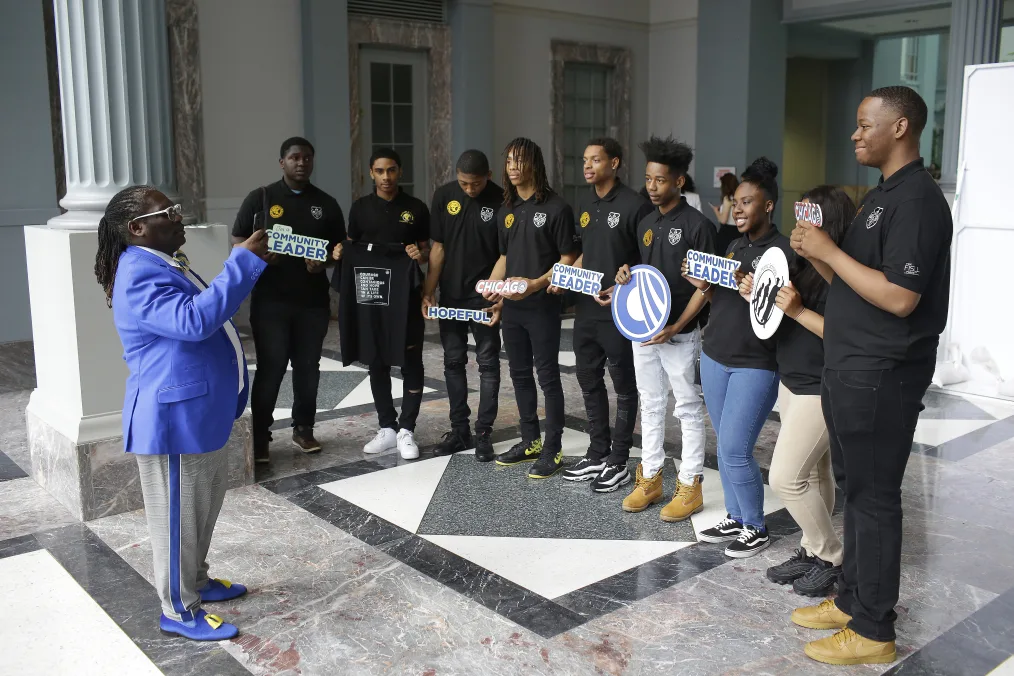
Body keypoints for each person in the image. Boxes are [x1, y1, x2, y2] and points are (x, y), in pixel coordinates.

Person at [789, 86, 952, 666]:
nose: (855, 134)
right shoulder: (882, 197)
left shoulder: (918, 201)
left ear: (901, 127)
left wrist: (830, 252)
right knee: (858, 494)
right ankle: (853, 597)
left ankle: (874, 629)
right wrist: (819, 259)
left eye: (865, 125)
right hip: (852, 365)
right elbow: (861, 289)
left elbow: (901, 297)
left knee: (876, 498)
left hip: (883, 373)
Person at [95, 185, 269, 640]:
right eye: (167, 213)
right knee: (177, 522)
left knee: (201, 511)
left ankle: (196, 581)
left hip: (197, 413)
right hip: (172, 421)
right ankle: (177, 610)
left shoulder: (163, 262)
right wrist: (242, 263)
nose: (179, 218)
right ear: (137, 229)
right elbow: (193, 321)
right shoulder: (138, 271)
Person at [738, 186, 855, 596]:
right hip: (792, 379)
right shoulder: (797, 263)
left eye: (811, 216)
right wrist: (756, 296)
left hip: (820, 386)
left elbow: (843, 333)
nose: (800, 224)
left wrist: (798, 310)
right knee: (815, 472)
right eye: (800, 214)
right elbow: (774, 318)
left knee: (787, 478)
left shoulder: (842, 273)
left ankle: (832, 555)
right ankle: (812, 551)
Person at [684, 157, 790, 558]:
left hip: (755, 363)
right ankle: (736, 515)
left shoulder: (782, 252)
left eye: (748, 202)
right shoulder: (733, 246)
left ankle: (757, 526)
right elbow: (718, 299)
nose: (739, 208)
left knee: (734, 447)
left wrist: (755, 290)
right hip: (714, 356)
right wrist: (705, 284)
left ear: (767, 206)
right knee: (723, 443)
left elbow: (781, 310)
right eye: (736, 202)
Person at [612, 136, 715, 518]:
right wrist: (624, 275)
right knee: (651, 404)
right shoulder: (645, 221)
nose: (652, 187)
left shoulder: (699, 226)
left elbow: (706, 290)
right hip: (644, 332)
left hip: (680, 333)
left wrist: (676, 327)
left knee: (687, 407)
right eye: (648, 179)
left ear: (679, 183)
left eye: (660, 180)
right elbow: (642, 274)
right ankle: (651, 477)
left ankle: (690, 485)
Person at [232, 137, 345, 463]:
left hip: (312, 302)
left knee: (308, 368)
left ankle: (304, 428)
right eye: (294, 157)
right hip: (271, 302)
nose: (301, 162)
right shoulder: (262, 198)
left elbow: (339, 249)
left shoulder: (326, 203)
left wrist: (323, 261)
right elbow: (239, 240)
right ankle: (261, 437)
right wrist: (260, 256)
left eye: (307, 157)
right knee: (271, 368)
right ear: (282, 162)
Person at [558, 138, 651, 492]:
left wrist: (622, 287)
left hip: (619, 312)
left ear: (614, 162)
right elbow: (584, 252)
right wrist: (563, 276)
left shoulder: (634, 205)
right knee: (587, 377)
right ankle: (598, 451)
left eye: (595, 160)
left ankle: (619, 461)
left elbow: (646, 263)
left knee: (624, 386)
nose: (587, 165)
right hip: (585, 309)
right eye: (585, 160)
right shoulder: (585, 203)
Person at [482, 137, 578, 479]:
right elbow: (505, 258)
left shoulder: (557, 208)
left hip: (542, 307)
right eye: (508, 161)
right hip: (514, 310)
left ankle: (552, 449)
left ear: (534, 164)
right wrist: (495, 290)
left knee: (547, 376)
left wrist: (533, 285)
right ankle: (530, 441)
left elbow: (568, 259)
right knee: (519, 374)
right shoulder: (505, 210)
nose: (512, 167)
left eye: (519, 161)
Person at [338, 147, 430, 460]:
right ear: (371, 173)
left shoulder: (415, 208)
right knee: (376, 358)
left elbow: (427, 250)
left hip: (405, 296)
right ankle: (387, 427)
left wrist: (420, 255)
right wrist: (341, 254)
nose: (386, 177)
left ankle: (407, 429)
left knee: (410, 360)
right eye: (380, 171)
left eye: (391, 170)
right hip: (372, 297)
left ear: (399, 172)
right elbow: (352, 248)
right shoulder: (361, 208)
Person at [422, 150, 503, 462]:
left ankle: (483, 432)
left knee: (488, 364)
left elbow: (504, 254)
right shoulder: (444, 196)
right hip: (452, 296)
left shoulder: (501, 199)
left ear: (489, 176)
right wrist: (429, 291)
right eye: (465, 183)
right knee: (453, 362)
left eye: (477, 184)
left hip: (484, 297)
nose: (470, 189)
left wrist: (497, 295)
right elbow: (438, 248)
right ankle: (459, 430)